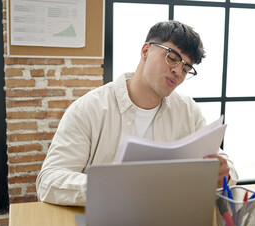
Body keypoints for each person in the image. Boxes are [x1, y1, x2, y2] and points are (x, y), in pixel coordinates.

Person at [36, 20, 238, 206]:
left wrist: (224, 174)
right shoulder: (89, 109)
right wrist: (110, 187)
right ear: (145, 50)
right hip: (108, 217)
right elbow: (49, 181)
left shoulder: (187, 110)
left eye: (186, 68)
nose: (178, 71)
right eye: (172, 58)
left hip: (168, 216)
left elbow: (225, 165)